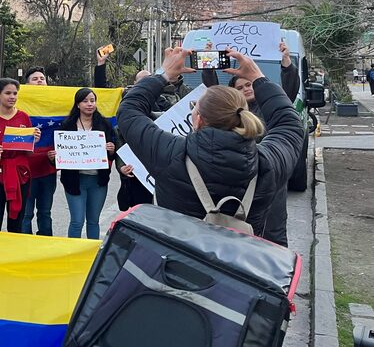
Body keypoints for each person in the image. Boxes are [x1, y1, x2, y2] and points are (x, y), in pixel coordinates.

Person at [117, 48, 304, 240]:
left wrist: (163, 75)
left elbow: (129, 111)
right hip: (241, 266)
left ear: (198, 121)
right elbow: (289, 123)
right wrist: (258, 78)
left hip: (180, 265)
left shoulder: (170, 154)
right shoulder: (269, 164)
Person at [201, 40, 299, 246]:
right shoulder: (229, 115)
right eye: (241, 87)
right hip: (241, 184)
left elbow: (286, 94)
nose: (246, 88)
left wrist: (286, 62)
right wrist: (209, 60)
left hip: (270, 182)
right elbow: (213, 89)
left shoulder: (269, 108)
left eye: (249, 84)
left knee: (273, 238)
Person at [0, 78, 40, 233]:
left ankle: (14, 254)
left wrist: (34, 140)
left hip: (20, 173)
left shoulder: (24, 117)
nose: (12, 97)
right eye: (8, 93)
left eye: (15, 93)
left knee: (17, 220)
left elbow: (27, 150)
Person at [94, 52, 153, 211]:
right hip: (133, 173)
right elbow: (102, 96)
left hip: (155, 171)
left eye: (149, 81)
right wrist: (101, 66)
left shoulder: (161, 100)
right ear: (134, 83)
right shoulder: (125, 99)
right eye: (141, 81)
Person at [58, 88, 117, 239]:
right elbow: (59, 151)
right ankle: (72, 256)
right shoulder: (67, 125)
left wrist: (111, 149)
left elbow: (114, 151)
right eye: (85, 101)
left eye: (92, 101)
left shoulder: (104, 124)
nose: (89, 104)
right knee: (77, 221)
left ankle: (92, 255)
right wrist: (54, 156)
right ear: (78, 104)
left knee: (93, 221)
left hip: (98, 180)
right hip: (74, 180)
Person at [20, 66, 57, 236]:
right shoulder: (18, 104)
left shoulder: (56, 103)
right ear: (26, 85)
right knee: (26, 214)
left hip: (48, 171)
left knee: (45, 213)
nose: (40, 81)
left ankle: (45, 245)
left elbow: (87, 98)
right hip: (25, 171)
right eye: (35, 79)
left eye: (42, 78)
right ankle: (25, 247)